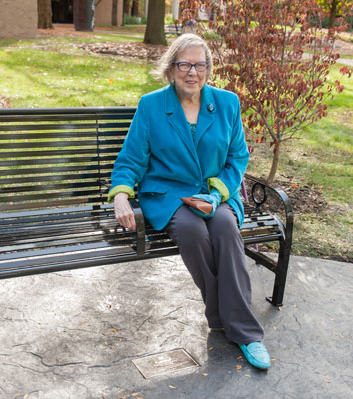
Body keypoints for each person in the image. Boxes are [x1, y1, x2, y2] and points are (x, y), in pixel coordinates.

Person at [107, 33, 271, 369]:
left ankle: (247, 334)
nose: (191, 72)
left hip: (215, 193)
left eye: (199, 64)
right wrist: (121, 194)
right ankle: (225, 319)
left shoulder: (227, 103)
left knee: (225, 227)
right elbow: (131, 159)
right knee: (192, 231)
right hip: (168, 194)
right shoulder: (151, 106)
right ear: (171, 69)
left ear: (208, 69)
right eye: (184, 64)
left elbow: (237, 157)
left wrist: (215, 195)